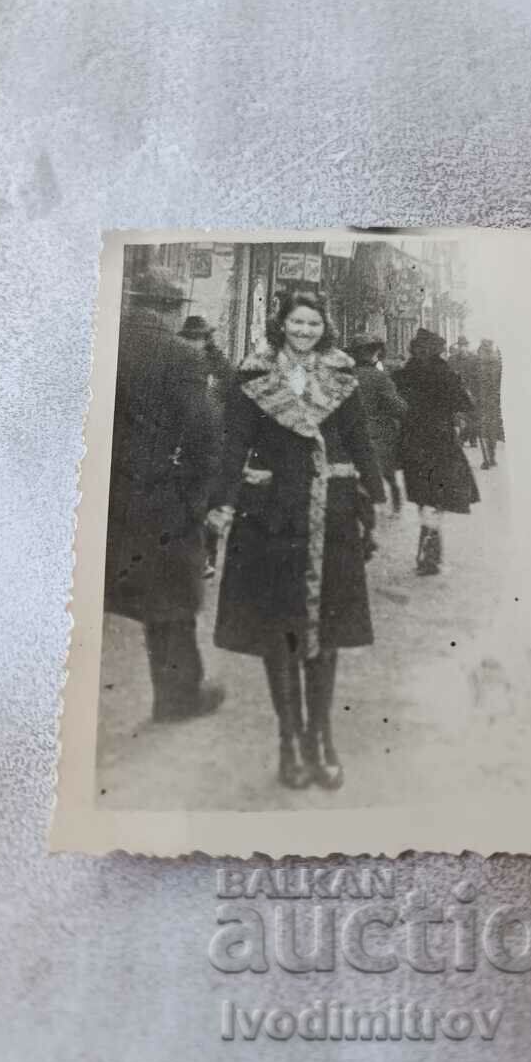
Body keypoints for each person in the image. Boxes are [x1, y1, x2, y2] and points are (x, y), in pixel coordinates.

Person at [207, 290, 385, 791]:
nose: (304, 331)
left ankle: (321, 739)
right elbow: (233, 444)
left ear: (323, 328)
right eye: (296, 323)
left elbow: (361, 437)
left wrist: (378, 486)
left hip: (330, 515)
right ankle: (289, 741)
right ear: (281, 325)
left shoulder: (343, 378)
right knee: (278, 635)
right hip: (269, 519)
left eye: (312, 324)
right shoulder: (252, 378)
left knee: (326, 635)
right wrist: (220, 502)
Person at [104, 260, 225, 722]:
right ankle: (178, 697)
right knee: (170, 598)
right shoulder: (180, 355)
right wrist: (198, 499)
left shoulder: (102, 340)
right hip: (159, 497)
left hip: (104, 494)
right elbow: (204, 433)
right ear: (172, 309)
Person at [394, 328, 479, 575]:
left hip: (412, 443)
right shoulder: (446, 374)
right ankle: (429, 556)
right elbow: (467, 404)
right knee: (435, 499)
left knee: (425, 498)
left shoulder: (403, 375)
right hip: (440, 443)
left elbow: (393, 405)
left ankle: (428, 554)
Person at [177, 314, 235, 576]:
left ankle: (207, 557)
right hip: (185, 440)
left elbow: (232, 397)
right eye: (191, 338)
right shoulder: (176, 361)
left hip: (213, 444)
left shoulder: (219, 367)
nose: (195, 343)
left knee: (209, 502)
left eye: (200, 338)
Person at [347, 332, 407, 513]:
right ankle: (392, 495)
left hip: (349, 433)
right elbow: (397, 407)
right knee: (384, 470)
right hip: (378, 433)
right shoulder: (379, 378)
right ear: (375, 354)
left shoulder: (344, 376)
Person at [474, 338, 503, 470]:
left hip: (485, 401)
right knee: (489, 430)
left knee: (486, 430)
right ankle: (491, 457)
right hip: (489, 401)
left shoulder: (480, 363)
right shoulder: (497, 363)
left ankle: (489, 457)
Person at [450, 335, 478, 448]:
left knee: (473, 416)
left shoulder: (474, 359)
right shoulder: (452, 359)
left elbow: (477, 376)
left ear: (467, 346)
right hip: (457, 391)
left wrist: (473, 391)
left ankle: (471, 439)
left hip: (471, 391)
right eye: (460, 346)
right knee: (460, 416)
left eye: (464, 346)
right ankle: (463, 438)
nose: (462, 348)